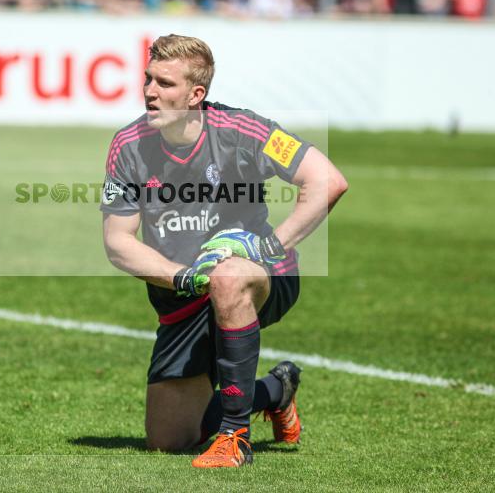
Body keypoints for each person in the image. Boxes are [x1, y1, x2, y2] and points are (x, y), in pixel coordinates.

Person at [100, 35, 348, 468]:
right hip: (184, 293)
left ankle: (235, 438)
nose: (149, 92)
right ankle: (275, 390)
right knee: (167, 439)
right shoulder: (128, 146)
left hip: (262, 276)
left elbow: (327, 180)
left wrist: (269, 246)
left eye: (164, 83)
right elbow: (118, 242)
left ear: (197, 95)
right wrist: (183, 276)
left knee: (228, 278)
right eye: (147, 79)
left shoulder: (244, 131)